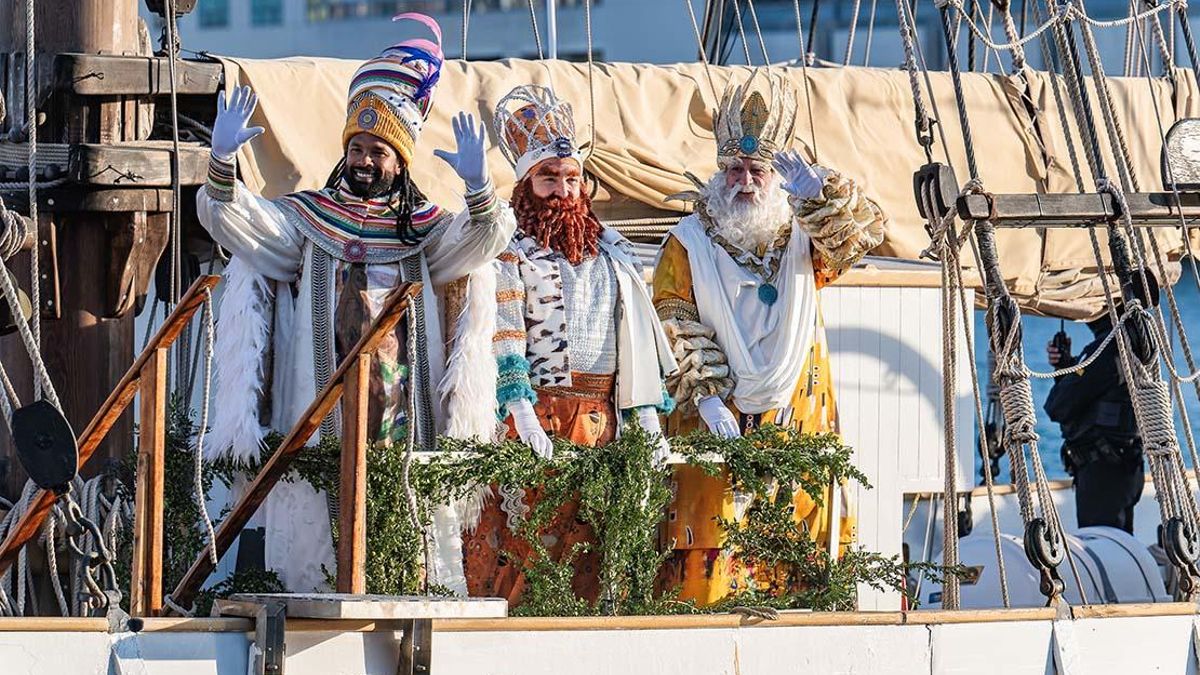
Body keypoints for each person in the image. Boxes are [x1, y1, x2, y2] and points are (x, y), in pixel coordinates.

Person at [196, 14, 516, 592]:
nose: (366, 160)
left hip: (404, 423)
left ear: (401, 159)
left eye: (379, 150)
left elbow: (486, 240)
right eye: (358, 147)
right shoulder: (309, 221)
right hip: (320, 422)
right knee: (315, 562)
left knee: (409, 559)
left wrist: (478, 188)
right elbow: (236, 225)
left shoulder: (422, 233)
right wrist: (220, 167)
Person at [651, 70, 887, 603]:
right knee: (711, 554)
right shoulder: (687, 243)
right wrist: (709, 398)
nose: (746, 181)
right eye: (734, 169)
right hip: (715, 422)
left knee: (798, 552)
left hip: (797, 416)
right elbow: (673, 318)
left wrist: (821, 198)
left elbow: (859, 241)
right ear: (719, 173)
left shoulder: (804, 236)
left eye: (758, 170)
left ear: (776, 178)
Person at [460, 84, 678, 605]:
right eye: (549, 179)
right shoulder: (512, 250)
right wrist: (520, 408)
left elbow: (637, 340)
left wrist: (646, 415)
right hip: (537, 419)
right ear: (526, 185)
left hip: (601, 424)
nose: (562, 190)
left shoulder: (613, 252)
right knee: (524, 551)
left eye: (571, 179)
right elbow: (504, 329)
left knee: (593, 555)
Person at [1043, 273, 1157, 535]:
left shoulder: (1108, 350)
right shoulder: (1130, 345)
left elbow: (1058, 406)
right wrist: (1066, 366)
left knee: (1104, 546)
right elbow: (1098, 389)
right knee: (1118, 545)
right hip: (1121, 467)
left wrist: (1066, 371)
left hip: (1104, 472)